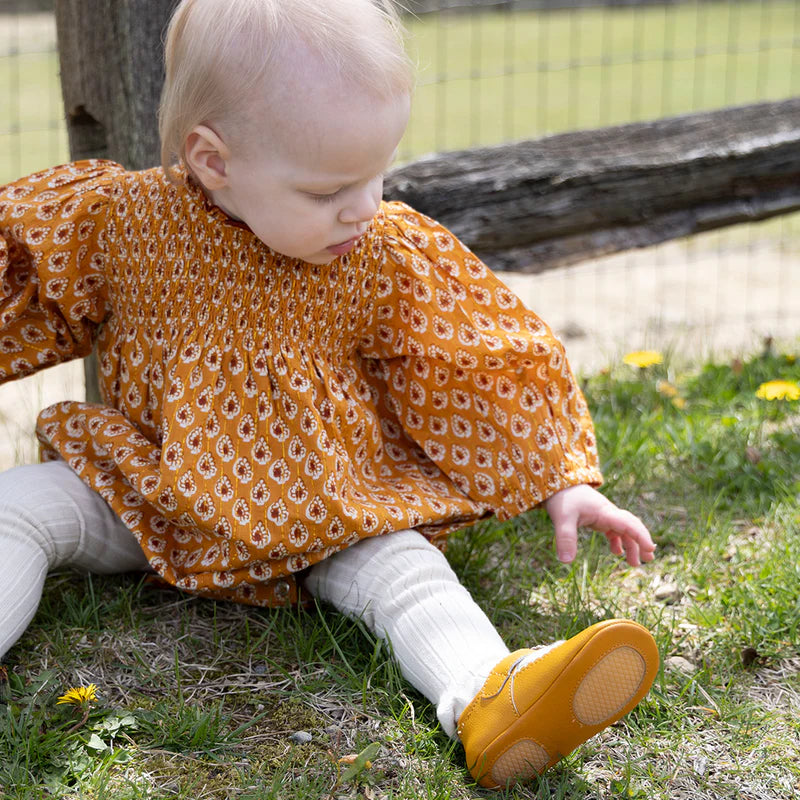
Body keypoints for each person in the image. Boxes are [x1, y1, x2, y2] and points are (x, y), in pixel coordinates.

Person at [0, 0, 659, 788]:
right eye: (328, 189)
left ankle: (491, 696)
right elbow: (22, 275)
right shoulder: (121, 222)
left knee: (407, 573)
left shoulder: (379, 252)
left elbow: (471, 355)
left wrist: (562, 476)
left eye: (379, 173)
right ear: (214, 160)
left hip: (324, 508)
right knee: (19, 510)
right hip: (146, 488)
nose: (365, 206)